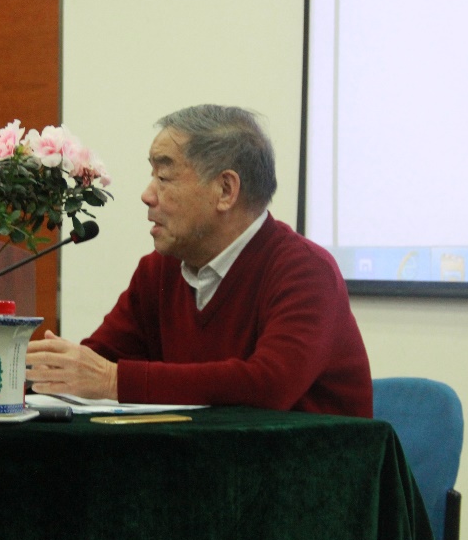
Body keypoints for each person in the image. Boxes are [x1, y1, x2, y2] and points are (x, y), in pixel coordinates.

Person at [25, 104, 372, 417]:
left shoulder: (306, 271)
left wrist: (115, 381)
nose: (147, 195)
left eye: (164, 178)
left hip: (309, 465)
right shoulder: (158, 271)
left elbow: (269, 384)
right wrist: (36, 373)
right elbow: (97, 363)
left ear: (225, 190)